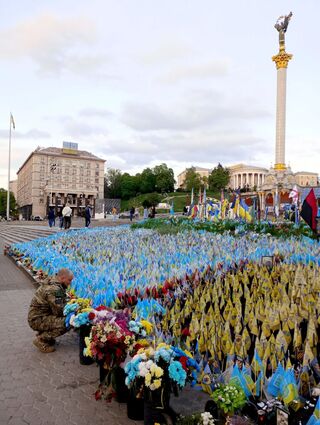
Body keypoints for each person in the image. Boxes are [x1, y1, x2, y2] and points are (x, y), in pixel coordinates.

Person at [28, 268, 73, 353]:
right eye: (69, 280)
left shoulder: (52, 281)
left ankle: (45, 335)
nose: (70, 283)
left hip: (38, 316)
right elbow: (60, 311)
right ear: (63, 278)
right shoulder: (54, 290)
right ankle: (41, 340)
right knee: (68, 322)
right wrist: (74, 312)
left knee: (64, 319)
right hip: (37, 320)